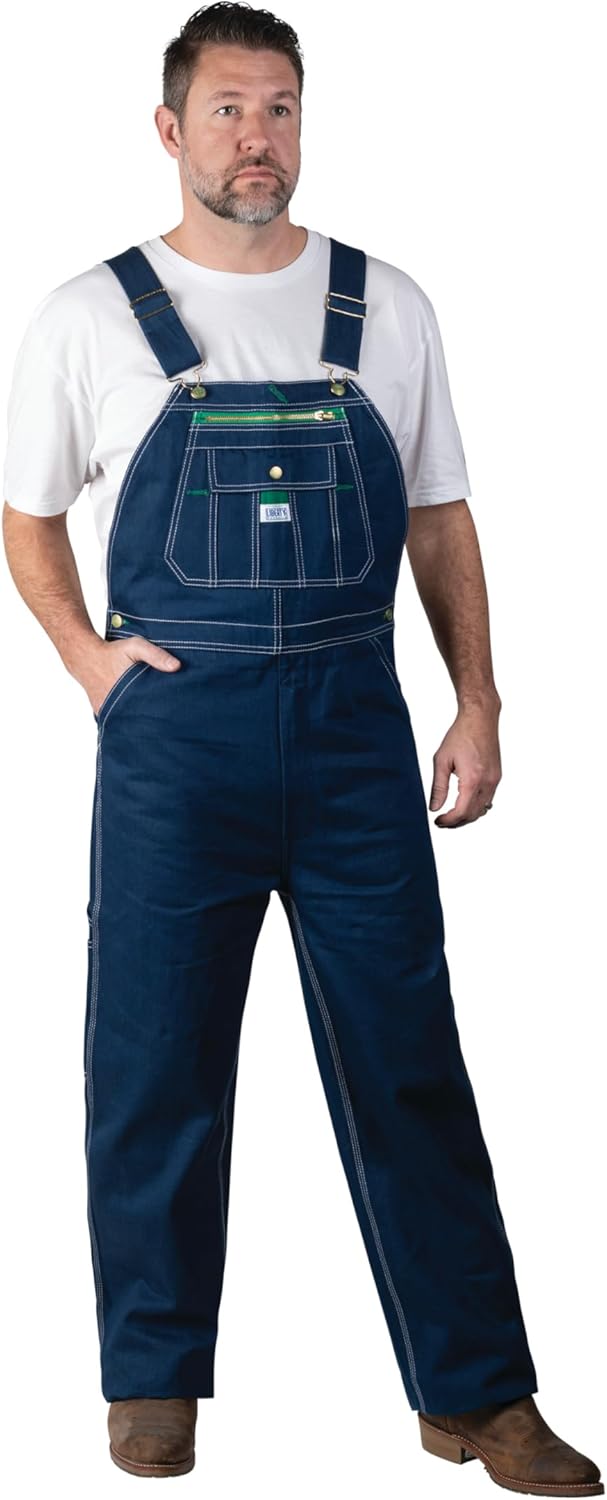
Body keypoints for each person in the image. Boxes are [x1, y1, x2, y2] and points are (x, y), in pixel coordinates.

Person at [2, 3, 602, 1490]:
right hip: (173, 743)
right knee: (153, 1062)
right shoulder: (90, 313)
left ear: (301, 124)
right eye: (225, 110)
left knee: (409, 1062)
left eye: (277, 108)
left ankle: (478, 1394)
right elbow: (28, 515)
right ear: (170, 130)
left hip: (352, 734)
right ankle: (153, 1382)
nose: (253, 137)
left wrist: (480, 698)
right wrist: (88, 663)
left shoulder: (386, 305)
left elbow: (441, 516)